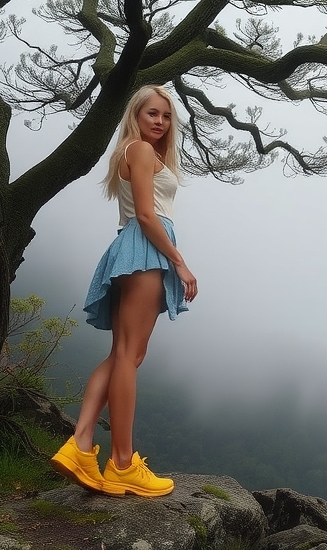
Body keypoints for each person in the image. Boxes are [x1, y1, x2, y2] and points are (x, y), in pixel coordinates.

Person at [51, 85, 198, 496]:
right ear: (136, 114)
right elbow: (149, 216)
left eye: (166, 116)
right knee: (130, 355)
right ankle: (122, 463)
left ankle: (80, 446)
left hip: (132, 247)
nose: (160, 121)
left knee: (122, 354)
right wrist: (179, 262)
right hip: (145, 247)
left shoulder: (134, 152)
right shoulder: (141, 150)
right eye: (152, 113)